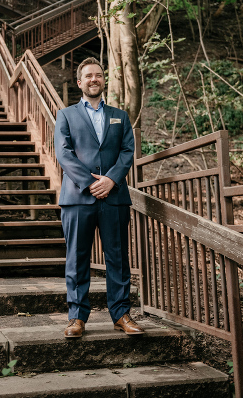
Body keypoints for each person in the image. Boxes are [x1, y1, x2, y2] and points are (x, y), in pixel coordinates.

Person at [54, 57, 144, 338]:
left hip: (114, 196)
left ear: (104, 80)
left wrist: (111, 180)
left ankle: (121, 314)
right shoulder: (65, 115)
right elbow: (64, 153)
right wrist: (89, 183)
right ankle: (77, 317)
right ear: (79, 83)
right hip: (78, 197)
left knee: (117, 256)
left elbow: (127, 151)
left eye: (99, 75)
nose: (94, 79)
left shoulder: (120, 115)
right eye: (88, 76)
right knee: (77, 257)